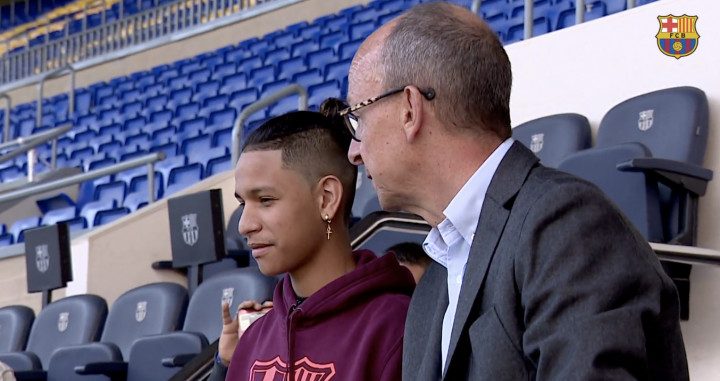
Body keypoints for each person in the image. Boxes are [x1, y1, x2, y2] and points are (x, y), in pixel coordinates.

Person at [344, 2, 689, 380]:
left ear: (410, 109)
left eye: (358, 117)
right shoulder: (433, 285)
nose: (354, 152)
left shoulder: (566, 226)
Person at [220, 99, 415, 380]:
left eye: (265, 200)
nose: (244, 225)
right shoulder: (252, 340)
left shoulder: (395, 328)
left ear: (326, 199)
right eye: (242, 204)